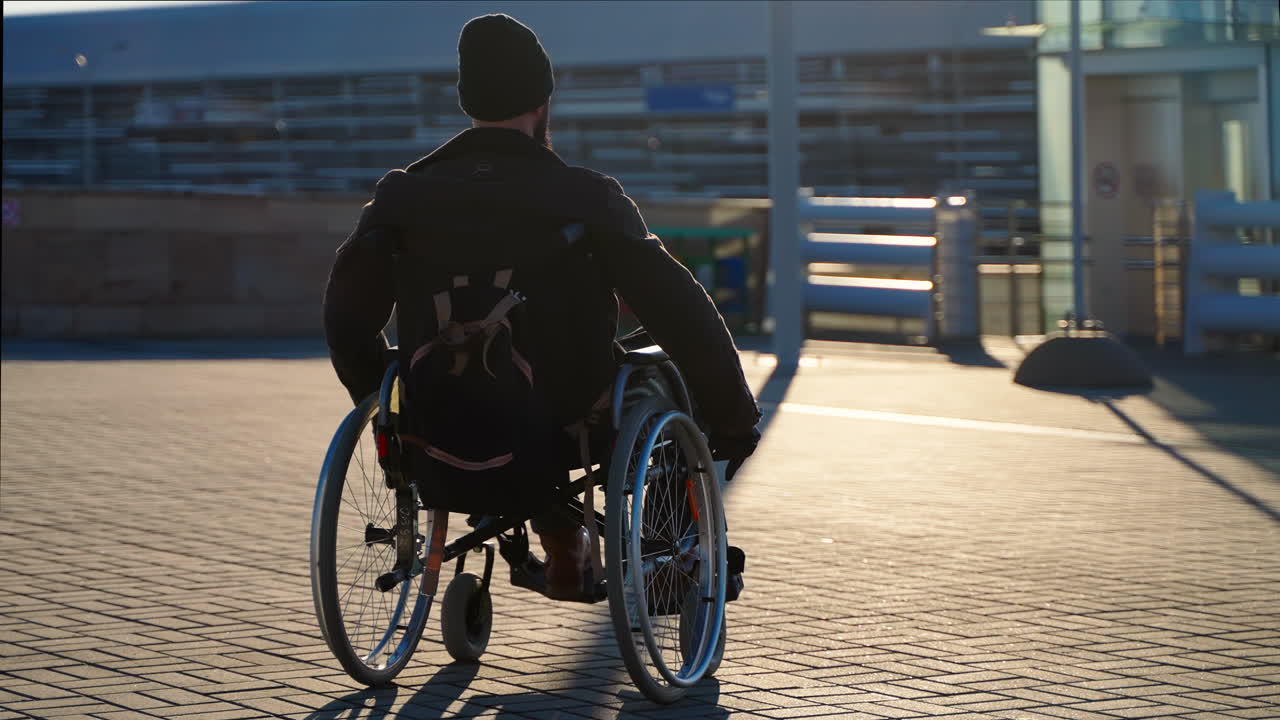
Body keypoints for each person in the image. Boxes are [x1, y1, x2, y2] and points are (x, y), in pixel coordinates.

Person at [323, 13, 760, 599]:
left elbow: (345, 319)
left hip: (438, 407)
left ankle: (558, 536)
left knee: (509, 398)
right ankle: (669, 558)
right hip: (569, 414)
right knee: (666, 378)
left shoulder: (401, 197)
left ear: (467, 100)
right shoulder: (584, 196)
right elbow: (680, 310)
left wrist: (384, 396)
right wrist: (734, 421)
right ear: (542, 102)